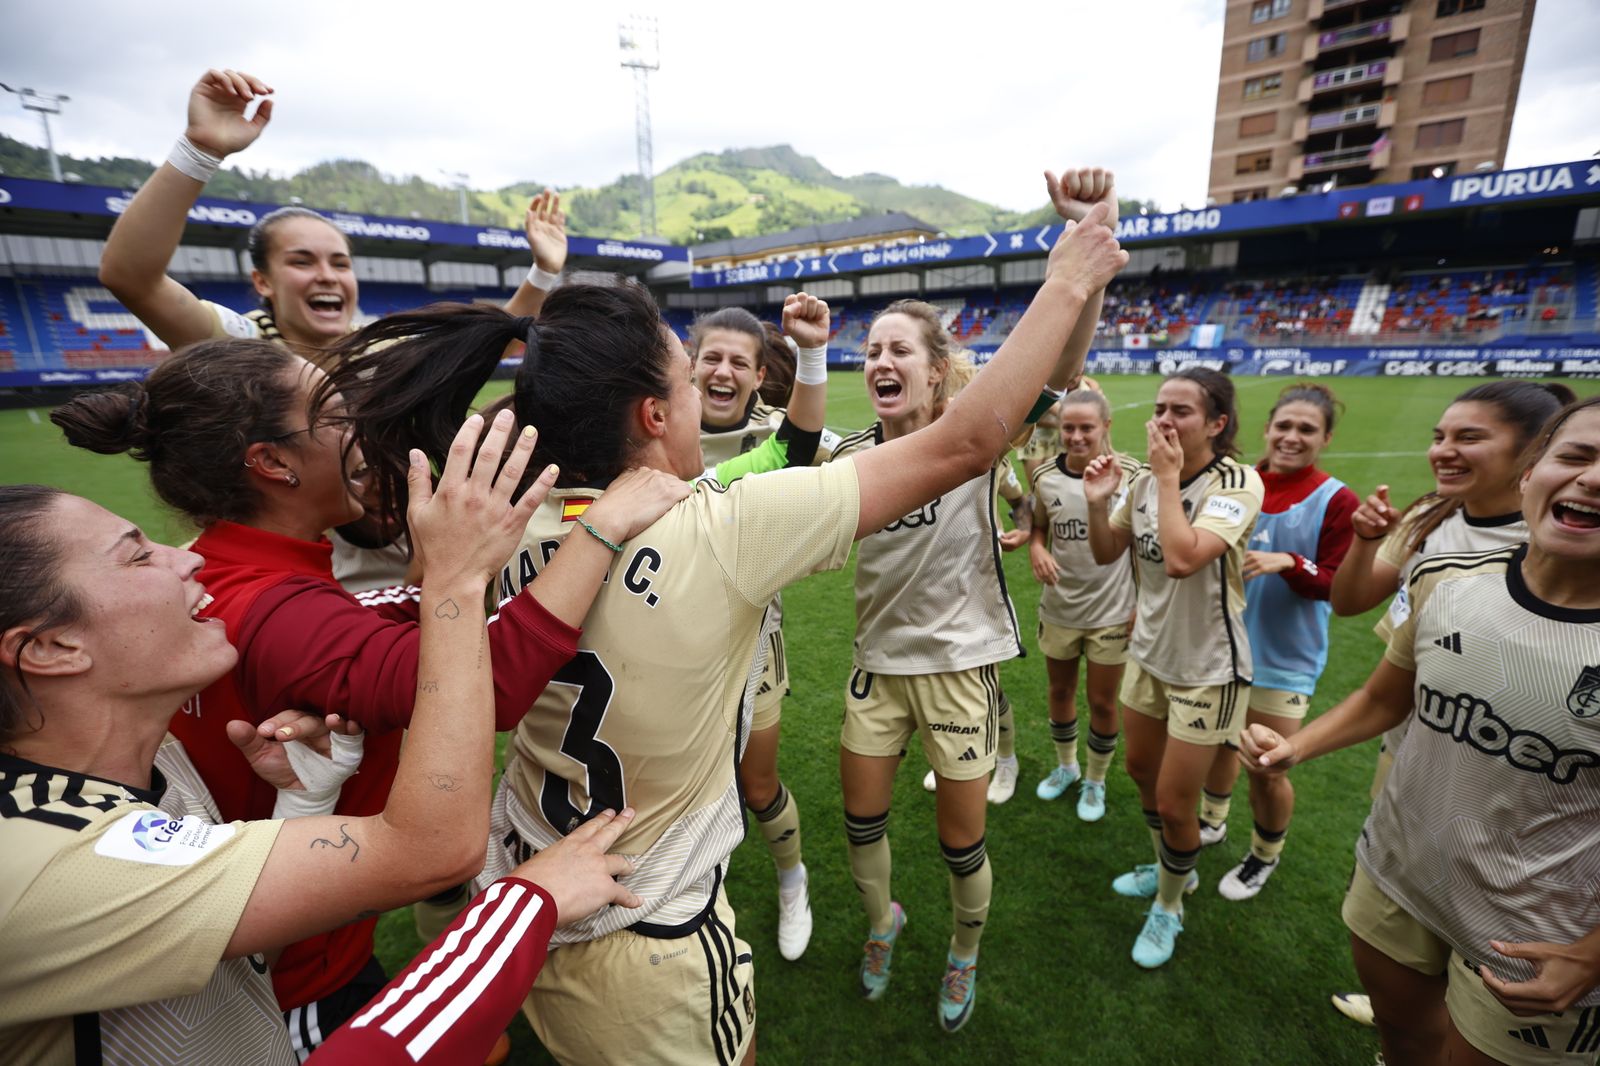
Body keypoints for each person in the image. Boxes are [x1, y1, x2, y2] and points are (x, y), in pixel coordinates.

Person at [326, 194, 1127, 1065]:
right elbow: (966, 443)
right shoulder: (722, 527)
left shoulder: (485, 530)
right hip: (647, 942)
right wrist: (1066, 279)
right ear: (654, 416)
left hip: (517, 891)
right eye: (681, 372)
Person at [51, 342, 686, 1054]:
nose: (360, 426)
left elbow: (374, 617)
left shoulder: (241, 572)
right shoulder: (277, 611)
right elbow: (485, 687)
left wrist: (443, 579)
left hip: (277, 925)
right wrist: (598, 531)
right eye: (333, 412)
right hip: (298, 978)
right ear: (273, 463)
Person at [832, 167, 1115, 1032]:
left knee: (962, 842)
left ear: (938, 369)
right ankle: (885, 925)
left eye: (899, 349)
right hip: (875, 669)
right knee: (860, 823)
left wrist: (1088, 261)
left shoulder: (979, 439)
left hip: (958, 669)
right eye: (872, 349)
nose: (882, 360)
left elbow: (1064, 371)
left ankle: (964, 950)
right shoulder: (846, 456)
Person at [1241, 394, 1600, 1066]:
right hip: (1403, 862)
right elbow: (1387, 696)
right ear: (1536, 472)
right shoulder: (1448, 576)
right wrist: (1295, 746)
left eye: (1470, 437)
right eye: (1576, 456)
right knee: (1403, 1039)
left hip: (1533, 926)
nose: (1593, 478)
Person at [1324, 379, 1571, 1027]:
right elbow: (1350, 602)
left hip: (1507, 778)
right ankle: (1403, 1012)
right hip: (1410, 752)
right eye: (1439, 436)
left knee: (1487, 929)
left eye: (1468, 437)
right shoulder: (1433, 513)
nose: (1443, 450)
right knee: (1407, 908)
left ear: (1533, 451)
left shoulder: (1553, 549)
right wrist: (1361, 541)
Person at [97, 68, 564, 363]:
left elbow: (497, 338)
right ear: (263, 282)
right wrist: (199, 151)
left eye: (339, 263)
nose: (328, 276)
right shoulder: (238, 345)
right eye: (302, 261)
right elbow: (130, 277)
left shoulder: (380, 347)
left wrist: (544, 270)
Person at [1083, 368, 1264, 969]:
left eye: (1180, 411)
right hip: (1151, 656)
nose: (1163, 420)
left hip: (1209, 667)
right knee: (1140, 772)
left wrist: (1162, 479)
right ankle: (1171, 869)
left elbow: (1184, 558)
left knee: (1177, 801)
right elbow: (1108, 552)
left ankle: (1169, 906)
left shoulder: (1236, 482)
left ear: (1216, 424)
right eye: (1159, 408)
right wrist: (1098, 502)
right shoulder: (1139, 483)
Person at [689, 298, 835, 962]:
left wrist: (812, 353)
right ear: (690, 367)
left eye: (737, 363)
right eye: (710, 358)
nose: (722, 372)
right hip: (669, 641)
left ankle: (791, 878)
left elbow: (811, 449)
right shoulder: (659, 426)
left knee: (758, 785)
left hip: (752, 643)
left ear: (756, 377)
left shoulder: (782, 431)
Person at [1193, 383, 1359, 900]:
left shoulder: (1337, 500)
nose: (1292, 437)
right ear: (1267, 428)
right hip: (1219, 648)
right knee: (1218, 744)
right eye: (1283, 426)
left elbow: (1341, 583)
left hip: (1284, 658)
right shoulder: (1235, 483)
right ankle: (1212, 821)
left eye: (1306, 429)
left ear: (1326, 437)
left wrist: (1291, 563)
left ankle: (1263, 855)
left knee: (1266, 766)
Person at [1027, 387, 1138, 820]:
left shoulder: (1130, 474)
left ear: (1105, 427)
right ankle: (1066, 767)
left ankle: (1095, 779)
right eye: (1068, 427)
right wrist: (1037, 548)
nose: (1075, 436)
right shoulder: (1044, 477)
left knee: (1104, 702)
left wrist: (1140, 604)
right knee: (1060, 690)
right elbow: (1037, 526)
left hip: (1112, 610)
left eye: (1086, 428)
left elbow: (1143, 545)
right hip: (1060, 608)